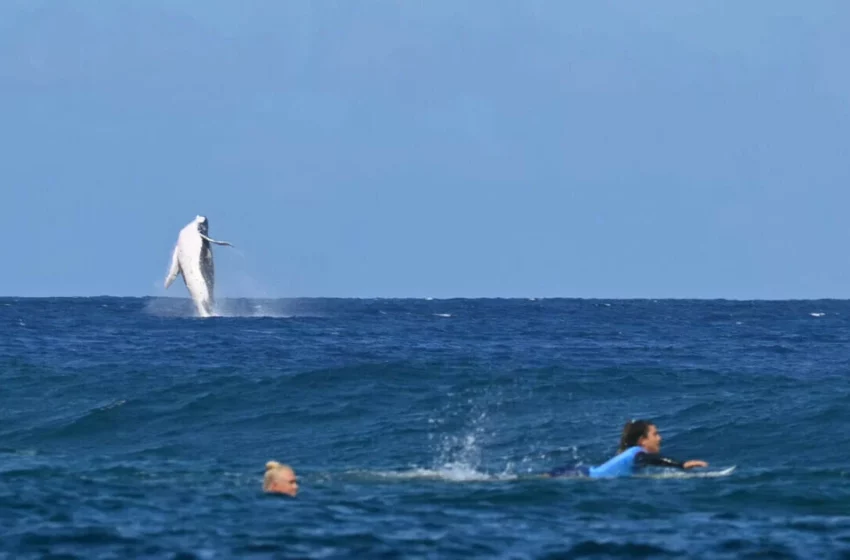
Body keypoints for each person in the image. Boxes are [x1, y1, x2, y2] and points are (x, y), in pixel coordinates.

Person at [547, 419, 708, 478]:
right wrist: (681, 465)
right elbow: (651, 459)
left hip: (582, 471)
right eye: (655, 434)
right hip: (578, 475)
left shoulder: (632, 453)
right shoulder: (638, 453)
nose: (660, 438)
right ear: (642, 440)